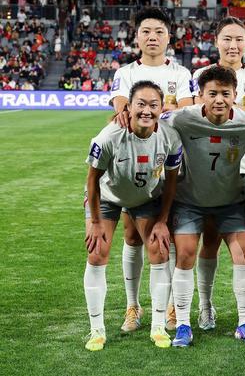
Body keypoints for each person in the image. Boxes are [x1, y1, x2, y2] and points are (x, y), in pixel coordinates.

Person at [161, 66, 245, 347]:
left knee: (243, 253)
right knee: (185, 253)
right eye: (212, 93)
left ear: (235, 95)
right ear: (200, 95)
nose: (219, 99)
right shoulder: (182, 118)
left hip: (231, 202)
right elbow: (150, 117)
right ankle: (183, 325)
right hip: (189, 202)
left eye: (225, 93)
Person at [109, 7, 193, 333]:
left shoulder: (181, 73)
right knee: (132, 235)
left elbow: (185, 112)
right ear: (137, 37)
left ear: (169, 37)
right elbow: (121, 109)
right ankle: (133, 306)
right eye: (146, 31)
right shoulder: (125, 72)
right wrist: (162, 109)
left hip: (172, 162)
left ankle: (170, 305)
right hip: (133, 164)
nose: (152, 37)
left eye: (159, 31)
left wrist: (146, 110)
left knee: (166, 233)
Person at [83, 81, 183, 351]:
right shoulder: (109, 136)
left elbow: (171, 183)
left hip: (146, 198)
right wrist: (95, 222)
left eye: (153, 105)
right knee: (97, 252)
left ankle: (158, 326)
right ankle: (97, 330)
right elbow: (92, 180)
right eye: (141, 104)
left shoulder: (170, 138)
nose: (147, 110)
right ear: (128, 107)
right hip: (107, 197)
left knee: (159, 250)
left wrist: (162, 221)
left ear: (162, 109)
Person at [190, 17, 245, 331]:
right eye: (227, 38)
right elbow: (200, 115)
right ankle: (205, 307)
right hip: (211, 170)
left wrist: (229, 110)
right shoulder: (200, 75)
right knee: (210, 241)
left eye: (239, 39)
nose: (233, 45)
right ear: (216, 41)